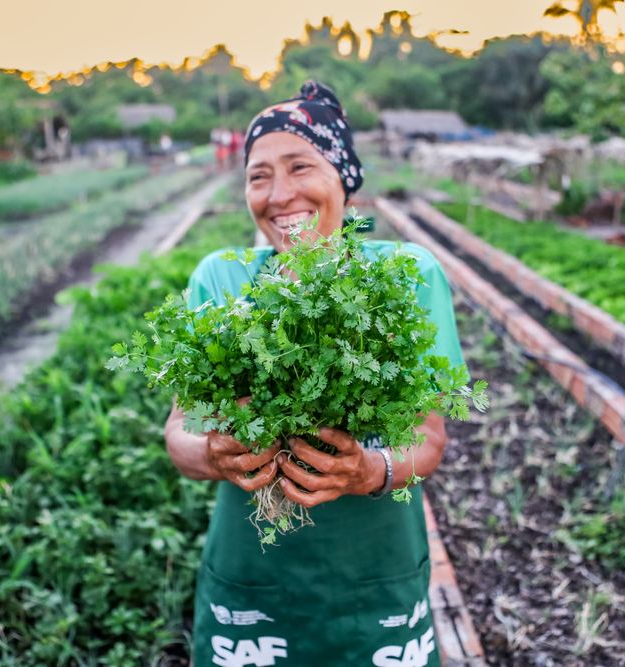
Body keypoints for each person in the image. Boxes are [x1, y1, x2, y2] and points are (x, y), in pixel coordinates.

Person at [164, 81, 466, 666]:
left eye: (300, 166)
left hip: (374, 570)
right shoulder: (221, 281)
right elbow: (180, 433)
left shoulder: (406, 276)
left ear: (343, 178)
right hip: (254, 573)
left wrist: (367, 470)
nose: (280, 194)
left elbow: (428, 440)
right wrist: (213, 454)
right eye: (258, 175)